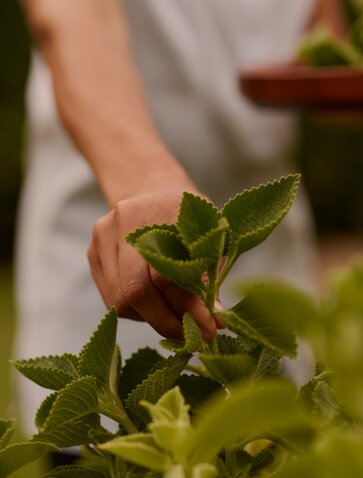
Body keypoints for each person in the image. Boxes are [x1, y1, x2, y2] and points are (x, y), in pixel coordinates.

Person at [15, 0, 345, 436]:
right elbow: (73, 18)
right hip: (117, 290)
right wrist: (147, 183)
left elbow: (322, 38)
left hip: (272, 296)